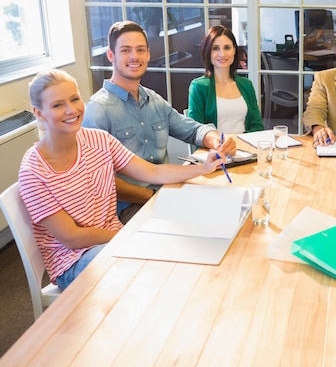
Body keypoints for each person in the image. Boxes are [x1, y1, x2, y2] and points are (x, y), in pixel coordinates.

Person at [19, 69, 225, 290]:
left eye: (74, 99)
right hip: (73, 261)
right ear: (39, 113)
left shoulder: (98, 140)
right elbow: (72, 238)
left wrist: (203, 167)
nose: (71, 110)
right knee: (157, 267)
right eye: (57, 105)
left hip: (114, 239)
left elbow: (152, 173)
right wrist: (129, 234)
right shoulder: (33, 169)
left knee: (184, 241)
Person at [83, 21, 236, 223]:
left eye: (140, 50)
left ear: (148, 54)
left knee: (230, 210)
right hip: (130, 210)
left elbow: (192, 129)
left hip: (168, 194)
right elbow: (100, 181)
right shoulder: (97, 110)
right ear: (111, 55)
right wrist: (150, 196)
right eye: (125, 50)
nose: (134, 57)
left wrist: (216, 140)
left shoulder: (153, 99)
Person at [188, 25, 264, 133]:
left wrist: (239, 144)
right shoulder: (199, 87)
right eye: (215, 48)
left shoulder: (246, 85)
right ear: (208, 51)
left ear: (234, 50)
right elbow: (195, 131)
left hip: (245, 147)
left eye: (227, 48)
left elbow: (257, 126)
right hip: (214, 148)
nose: (222, 54)